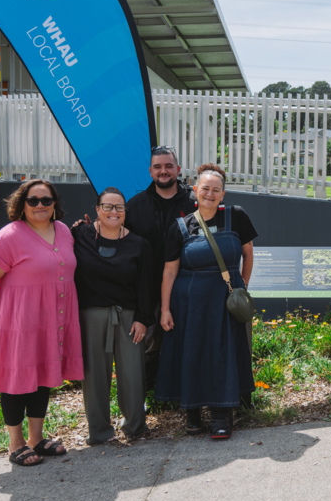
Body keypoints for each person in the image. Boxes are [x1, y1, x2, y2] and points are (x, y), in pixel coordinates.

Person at [0, 180, 83, 466]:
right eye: (33, 201)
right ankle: (16, 444)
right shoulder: (9, 236)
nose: (40, 206)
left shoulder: (62, 232)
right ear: (21, 204)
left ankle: (36, 438)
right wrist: (3, 309)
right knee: (15, 380)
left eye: (46, 200)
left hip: (51, 320)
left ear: (54, 203)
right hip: (18, 322)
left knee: (42, 376)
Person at [156, 164, 257, 439]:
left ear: (223, 194)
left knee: (223, 352)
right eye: (205, 189)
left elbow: (248, 254)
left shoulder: (236, 216)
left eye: (215, 190)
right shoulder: (180, 226)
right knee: (192, 352)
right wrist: (165, 309)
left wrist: (241, 286)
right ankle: (192, 413)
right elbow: (169, 271)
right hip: (190, 301)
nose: (210, 194)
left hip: (224, 301)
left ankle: (222, 414)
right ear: (195, 192)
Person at [72, 187, 154, 445]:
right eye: (107, 206)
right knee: (94, 375)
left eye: (119, 207)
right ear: (97, 209)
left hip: (129, 318)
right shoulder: (78, 235)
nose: (113, 212)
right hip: (91, 316)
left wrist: (142, 318)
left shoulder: (139, 244)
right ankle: (99, 431)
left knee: (132, 373)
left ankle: (135, 426)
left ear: (125, 212)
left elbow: (146, 286)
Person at [123, 145, 197, 392]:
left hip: (188, 285)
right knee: (149, 345)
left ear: (177, 169)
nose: (163, 171)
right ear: (150, 171)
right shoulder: (135, 205)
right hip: (149, 288)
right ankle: (146, 394)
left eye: (168, 166)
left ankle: (184, 393)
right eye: (157, 167)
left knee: (188, 342)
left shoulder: (194, 203)